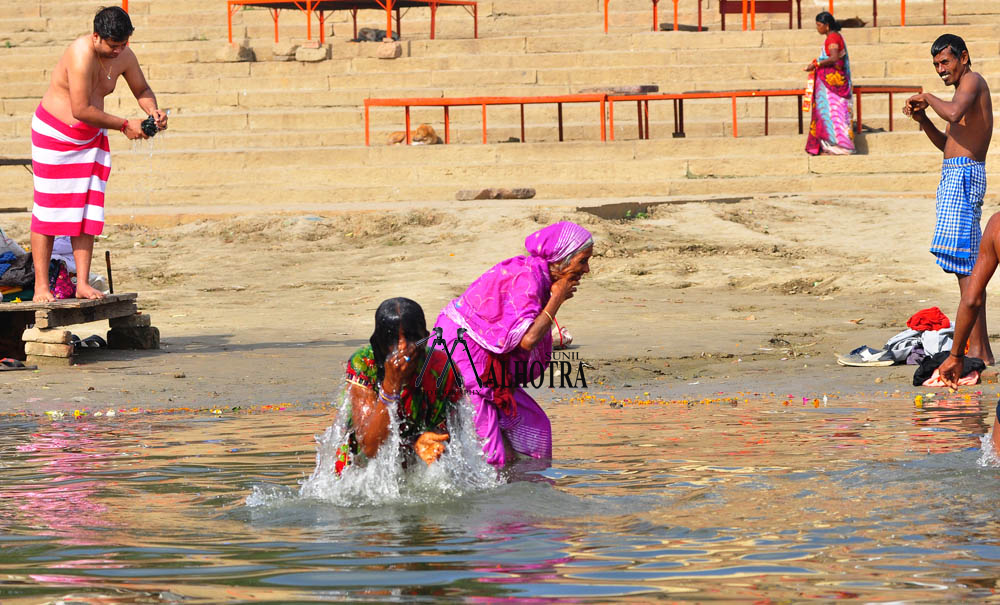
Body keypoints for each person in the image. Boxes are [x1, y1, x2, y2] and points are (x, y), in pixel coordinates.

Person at [30, 6, 167, 302]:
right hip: (54, 135)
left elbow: (141, 87)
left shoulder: (124, 56)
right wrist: (123, 125)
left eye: (123, 45)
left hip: (90, 138)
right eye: (113, 45)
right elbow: (80, 109)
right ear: (96, 36)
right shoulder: (80, 53)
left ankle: (82, 282)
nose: (118, 51)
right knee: (48, 209)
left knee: (86, 210)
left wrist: (152, 111)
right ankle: (41, 286)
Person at [432, 221, 594, 467]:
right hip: (463, 359)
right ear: (561, 259)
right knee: (491, 456)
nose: (587, 269)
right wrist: (558, 297)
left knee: (535, 426)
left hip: (487, 366)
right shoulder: (526, 277)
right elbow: (527, 340)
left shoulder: (538, 275)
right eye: (582, 261)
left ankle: (530, 492)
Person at [903, 34, 993, 364]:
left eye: (946, 62)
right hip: (956, 172)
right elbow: (949, 144)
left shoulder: (972, 81)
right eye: (937, 65)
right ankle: (978, 348)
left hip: (965, 175)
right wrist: (923, 118)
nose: (942, 69)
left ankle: (979, 351)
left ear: (963, 57)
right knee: (966, 268)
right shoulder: (961, 89)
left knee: (969, 269)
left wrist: (927, 97)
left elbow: (953, 114)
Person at [342, 297, 462, 470]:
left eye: (412, 337)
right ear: (378, 343)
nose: (403, 347)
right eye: (392, 339)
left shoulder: (442, 368)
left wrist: (427, 440)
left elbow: (457, 434)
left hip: (418, 462)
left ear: (425, 338)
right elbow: (369, 448)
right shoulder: (364, 364)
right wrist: (390, 385)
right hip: (359, 469)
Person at [804, 11, 855, 156]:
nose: (817, 28)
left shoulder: (832, 38)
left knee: (832, 114)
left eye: (819, 25)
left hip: (832, 85)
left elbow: (833, 58)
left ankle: (838, 147)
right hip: (833, 83)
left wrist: (816, 64)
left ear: (826, 26)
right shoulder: (836, 36)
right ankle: (833, 146)